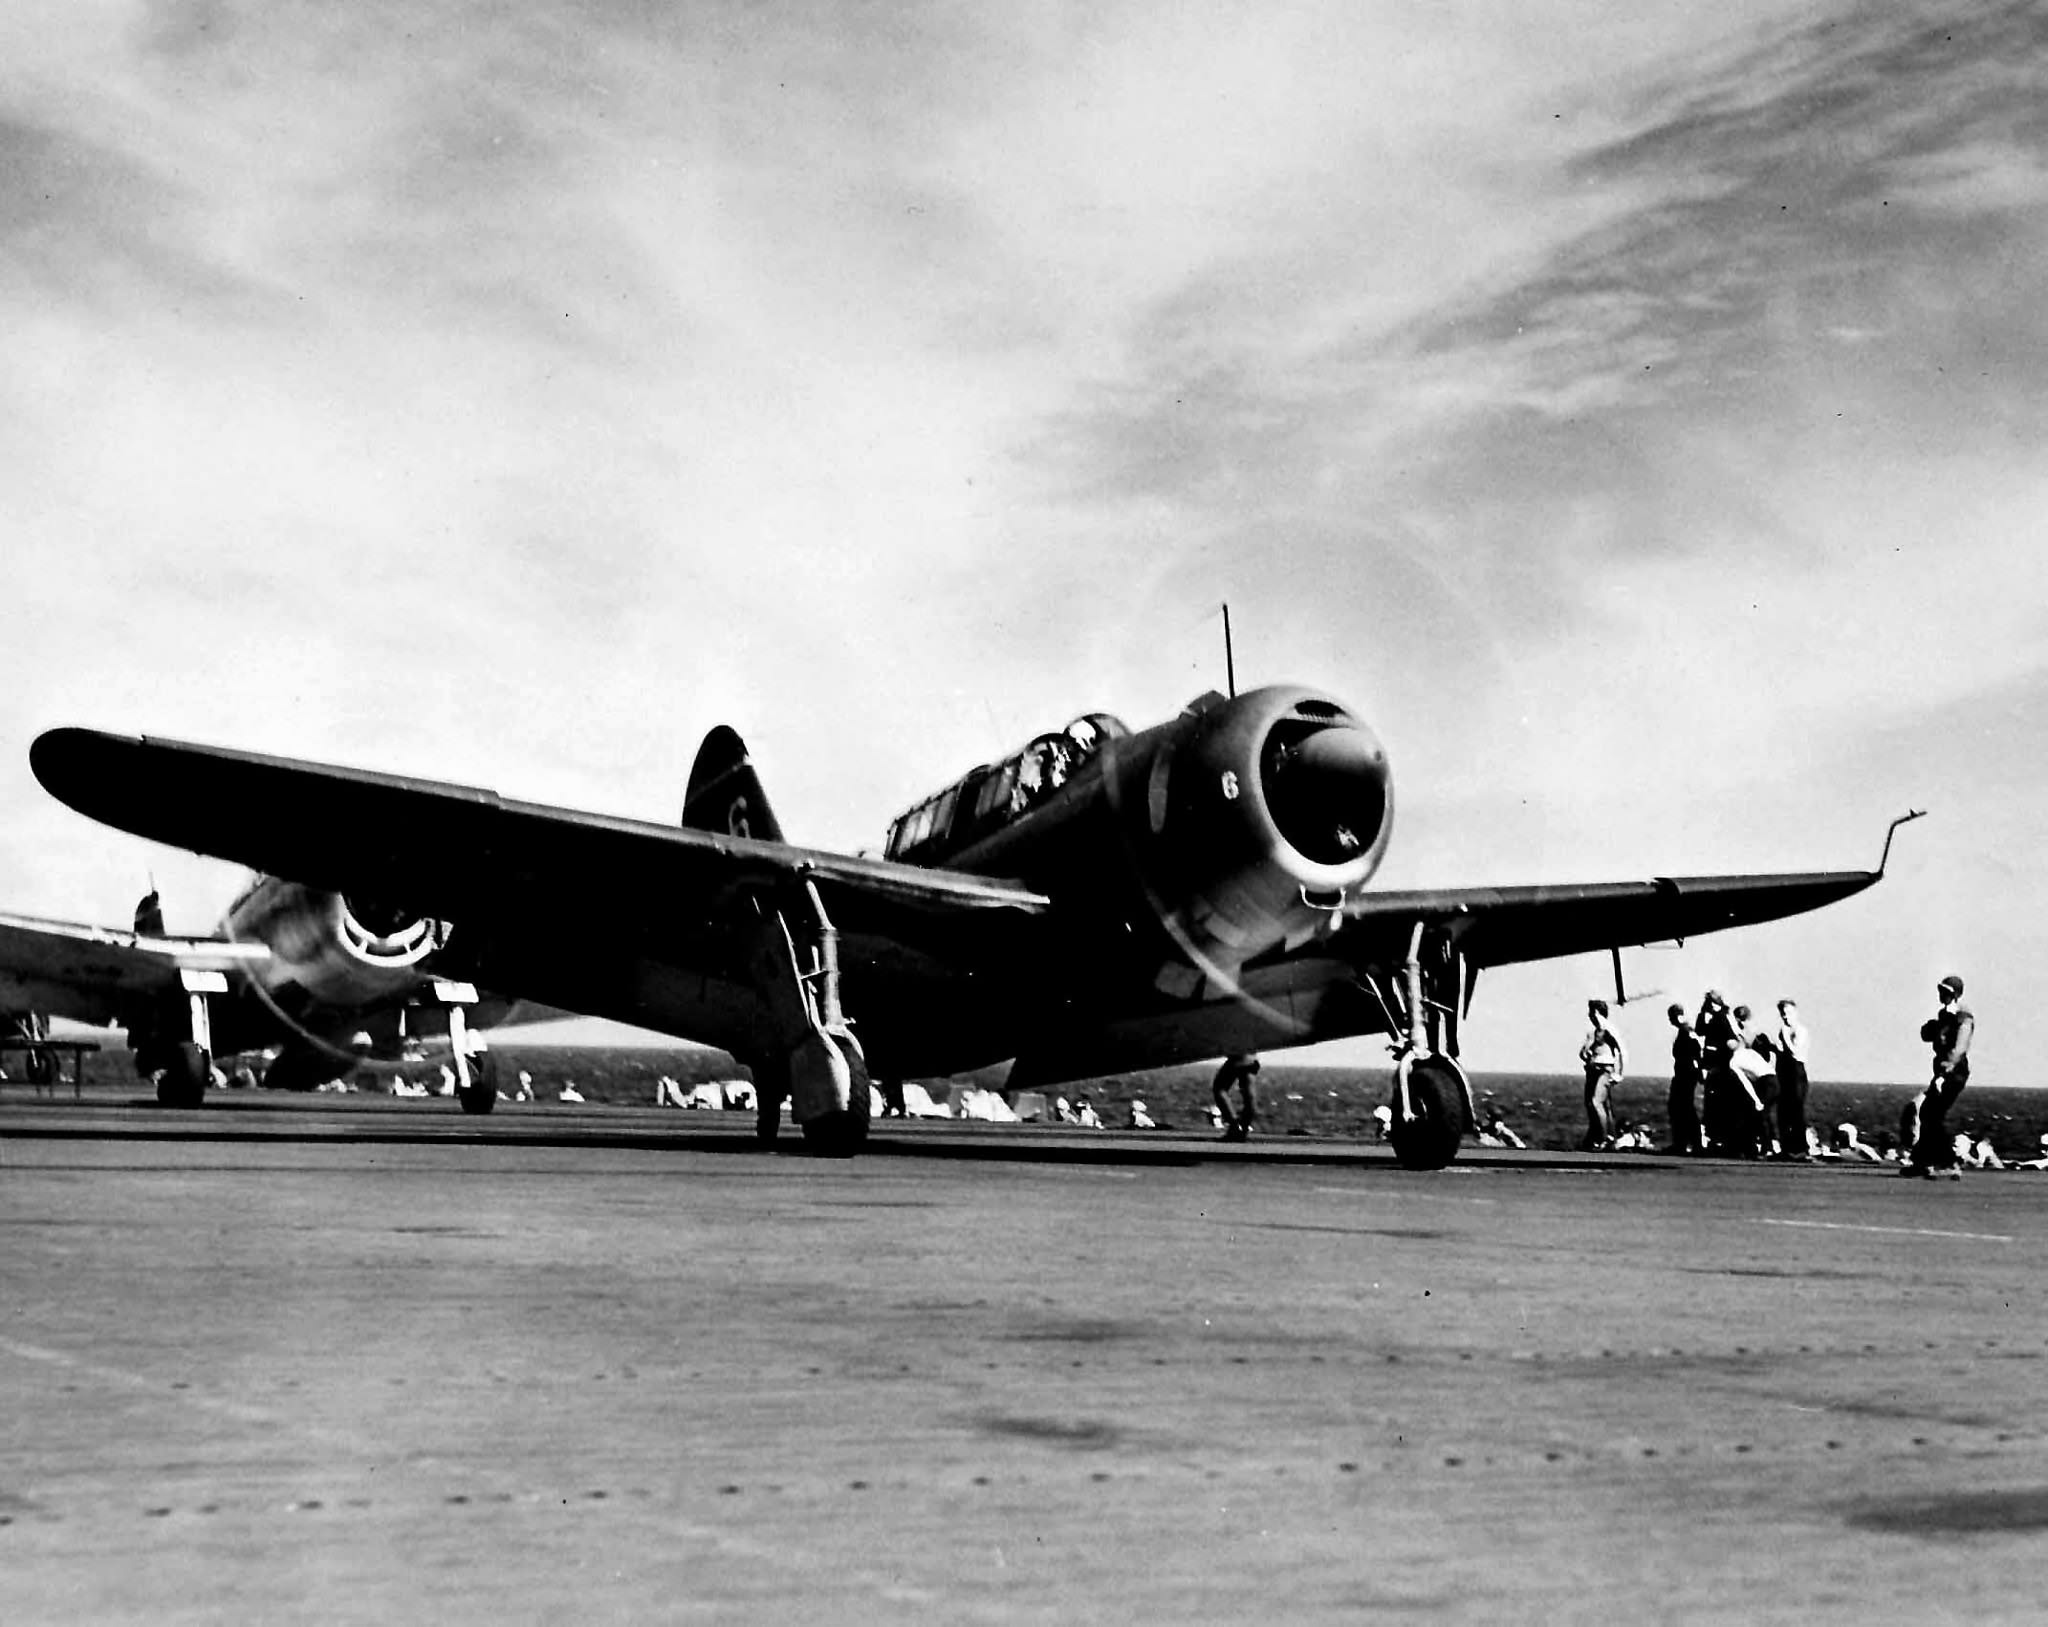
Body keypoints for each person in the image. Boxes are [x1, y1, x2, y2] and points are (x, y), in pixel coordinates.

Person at [1904, 974, 1974, 1179]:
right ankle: (1923, 1161)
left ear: (1954, 994)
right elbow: (1929, 1036)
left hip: (1954, 1072)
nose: (1941, 995)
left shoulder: (1963, 1017)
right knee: (1928, 1113)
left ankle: (1947, 1162)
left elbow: (1959, 1048)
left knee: (1932, 1114)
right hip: (1943, 1072)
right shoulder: (1945, 1016)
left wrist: (1945, 1074)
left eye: (1945, 992)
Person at [1695, 992, 1740, 1152]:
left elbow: (1732, 1040)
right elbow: (1700, 1031)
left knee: (1718, 1102)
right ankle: (1714, 1138)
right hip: (1711, 1063)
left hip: (1720, 1064)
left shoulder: (1722, 1018)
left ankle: (1721, 1139)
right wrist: (1702, 1016)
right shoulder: (1711, 1017)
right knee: (1712, 1102)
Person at [1578, 999, 1625, 1149]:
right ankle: (1596, 1135)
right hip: (1592, 1070)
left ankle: (1603, 1138)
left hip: (1604, 1070)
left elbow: (1622, 1050)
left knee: (1596, 1102)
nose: (1590, 1015)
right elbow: (1584, 1052)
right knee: (1593, 1104)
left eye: (1592, 1012)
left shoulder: (1609, 1030)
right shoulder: (1594, 1032)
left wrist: (1619, 1073)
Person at [1774, 999, 1811, 1159]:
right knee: (1783, 1110)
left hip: (1796, 1071)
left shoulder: (1800, 1030)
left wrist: (1785, 1037)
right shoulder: (1784, 1030)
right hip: (1784, 1071)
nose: (1785, 1017)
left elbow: (1796, 1052)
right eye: (1783, 1014)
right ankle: (1786, 1147)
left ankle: (1800, 1148)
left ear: (1795, 1013)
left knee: (1796, 1110)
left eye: (1788, 1013)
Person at [1665, 1003, 1703, 1153]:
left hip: (1686, 1074)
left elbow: (1695, 1050)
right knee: (1683, 1107)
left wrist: (1697, 1068)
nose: (1671, 1021)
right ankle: (1688, 1143)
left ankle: (1685, 1143)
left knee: (1682, 1107)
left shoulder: (1686, 1031)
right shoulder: (1686, 1031)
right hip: (1685, 1073)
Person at [1212, 1053, 1261, 1141]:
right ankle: (1243, 1129)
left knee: (1219, 1089)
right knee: (1249, 1095)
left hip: (1238, 1059)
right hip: (1252, 1060)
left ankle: (1235, 1127)